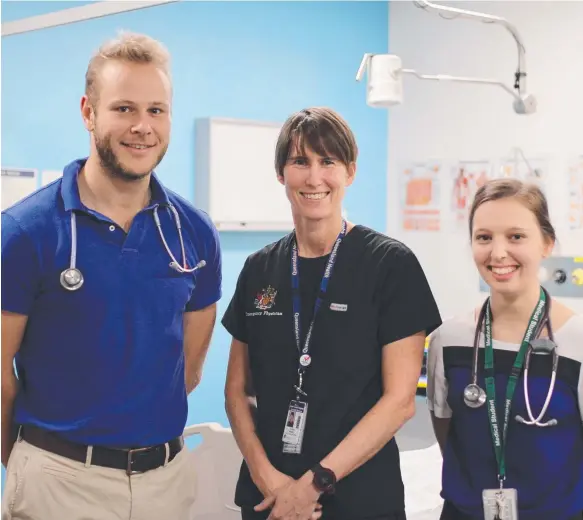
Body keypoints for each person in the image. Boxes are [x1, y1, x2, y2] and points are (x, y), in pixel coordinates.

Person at [1, 32, 222, 520]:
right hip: (58, 482)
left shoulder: (194, 233)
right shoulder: (24, 232)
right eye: (123, 108)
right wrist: (29, 461)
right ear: (88, 112)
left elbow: (186, 367)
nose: (142, 127)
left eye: (156, 110)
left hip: (164, 481)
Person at [222, 107, 442, 520]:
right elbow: (237, 391)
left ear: (350, 172)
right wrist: (266, 477)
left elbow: (399, 402)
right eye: (300, 161)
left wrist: (315, 483)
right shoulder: (259, 269)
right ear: (281, 173)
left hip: (358, 498)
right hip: (270, 499)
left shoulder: (389, 265)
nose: (314, 177)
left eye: (328, 162)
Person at [427, 179, 583, 520]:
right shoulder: (449, 339)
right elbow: (447, 434)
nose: (498, 253)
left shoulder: (577, 343)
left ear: (547, 243)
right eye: (484, 237)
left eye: (516, 236)